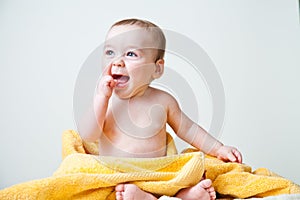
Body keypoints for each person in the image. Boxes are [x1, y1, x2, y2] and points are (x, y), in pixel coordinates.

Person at [79, 18, 242, 200]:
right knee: (102, 189)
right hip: (117, 176)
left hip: (157, 176)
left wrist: (218, 149)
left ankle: (183, 194)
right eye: (110, 52)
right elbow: (88, 135)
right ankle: (144, 196)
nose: (117, 62)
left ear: (157, 69)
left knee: (190, 168)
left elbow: (188, 129)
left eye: (131, 54)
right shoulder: (104, 100)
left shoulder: (163, 101)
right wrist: (101, 98)